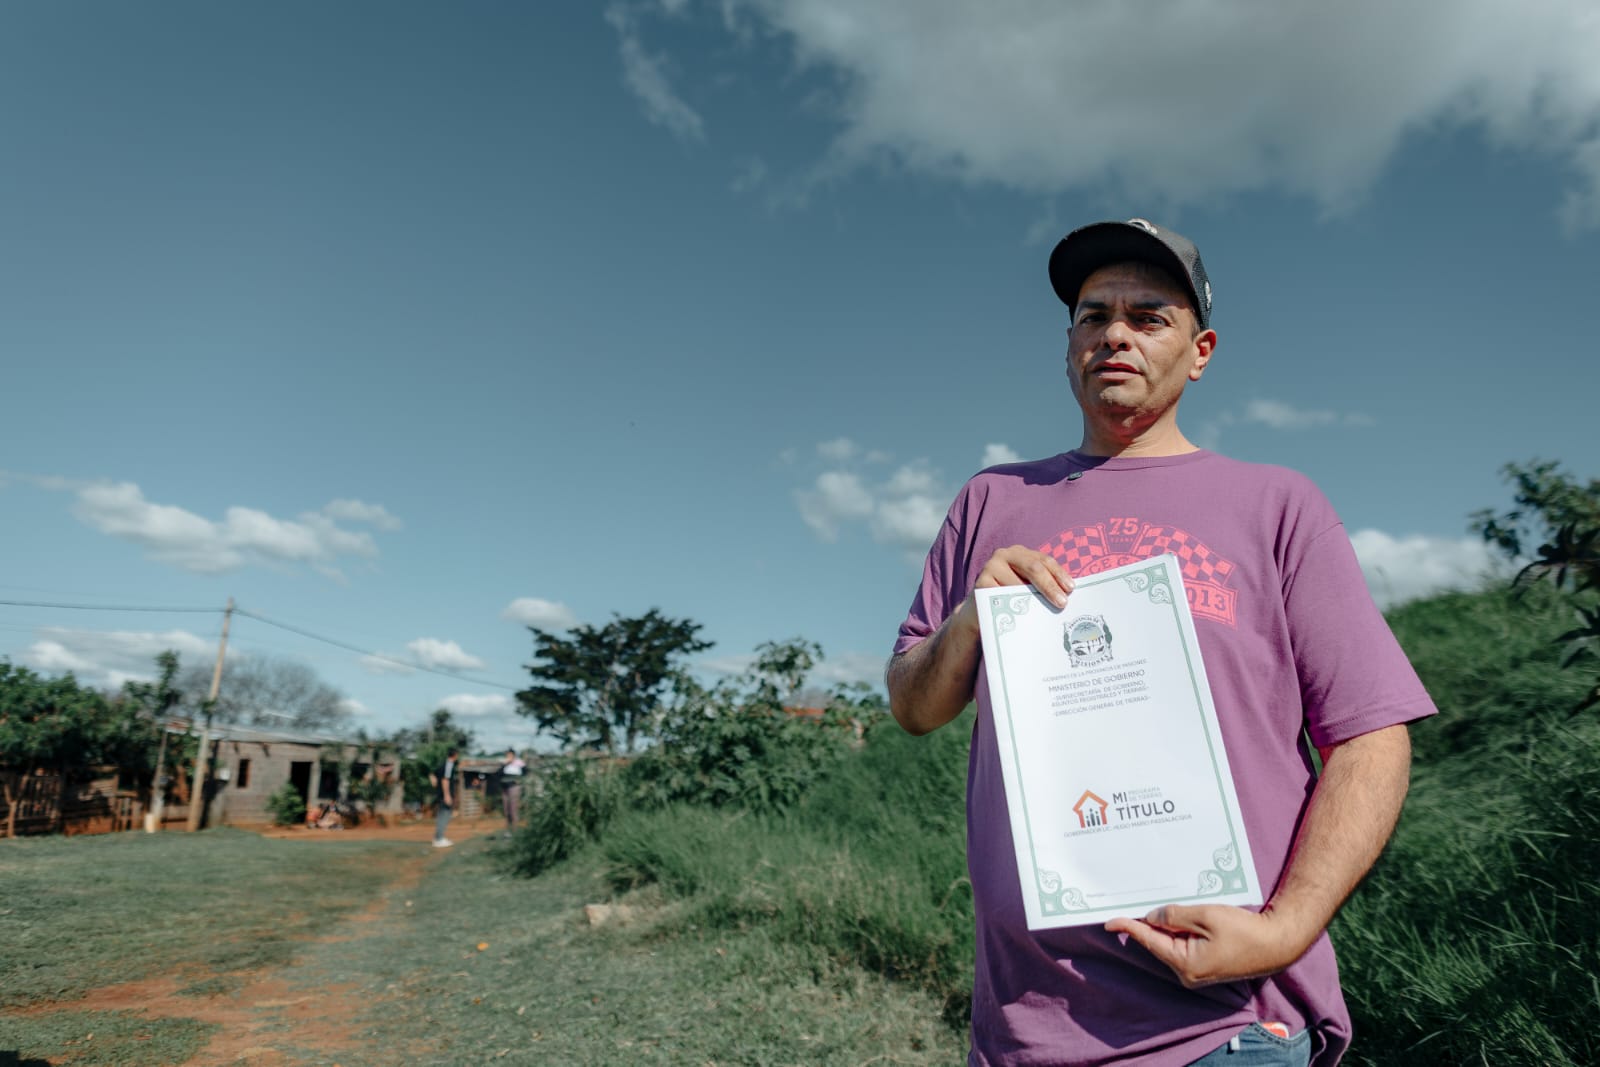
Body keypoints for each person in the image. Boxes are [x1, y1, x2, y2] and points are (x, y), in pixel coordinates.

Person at [887, 218, 1437, 1067]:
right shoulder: (989, 500)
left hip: (1224, 1025)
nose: (1114, 332)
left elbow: (1370, 735)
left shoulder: (1277, 506)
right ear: (1068, 341)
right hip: (1022, 1026)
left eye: (1149, 316)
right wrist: (969, 621)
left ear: (1202, 349)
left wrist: (1283, 930)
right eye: (1092, 313)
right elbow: (913, 706)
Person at [430, 747, 458, 848]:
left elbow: (432, 774)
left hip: (440, 794)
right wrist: (447, 795)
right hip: (445, 795)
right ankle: (439, 839)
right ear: (455, 755)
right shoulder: (449, 765)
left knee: (443, 815)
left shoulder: (443, 764)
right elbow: (445, 780)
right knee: (444, 815)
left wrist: (435, 784)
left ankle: (438, 837)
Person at [500, 747, 526, 836]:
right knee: (506, 810)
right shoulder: (504, 764)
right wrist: (505, 764)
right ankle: (508, 830)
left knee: (513, 810)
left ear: (513, 755)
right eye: (507, 755)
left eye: (509, 755)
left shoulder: (519, 763)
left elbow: (526, 772)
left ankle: (515, 830)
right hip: (505, 788)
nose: (508, 756)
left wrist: (520, 780)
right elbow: (499, 774)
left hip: (514, 787)